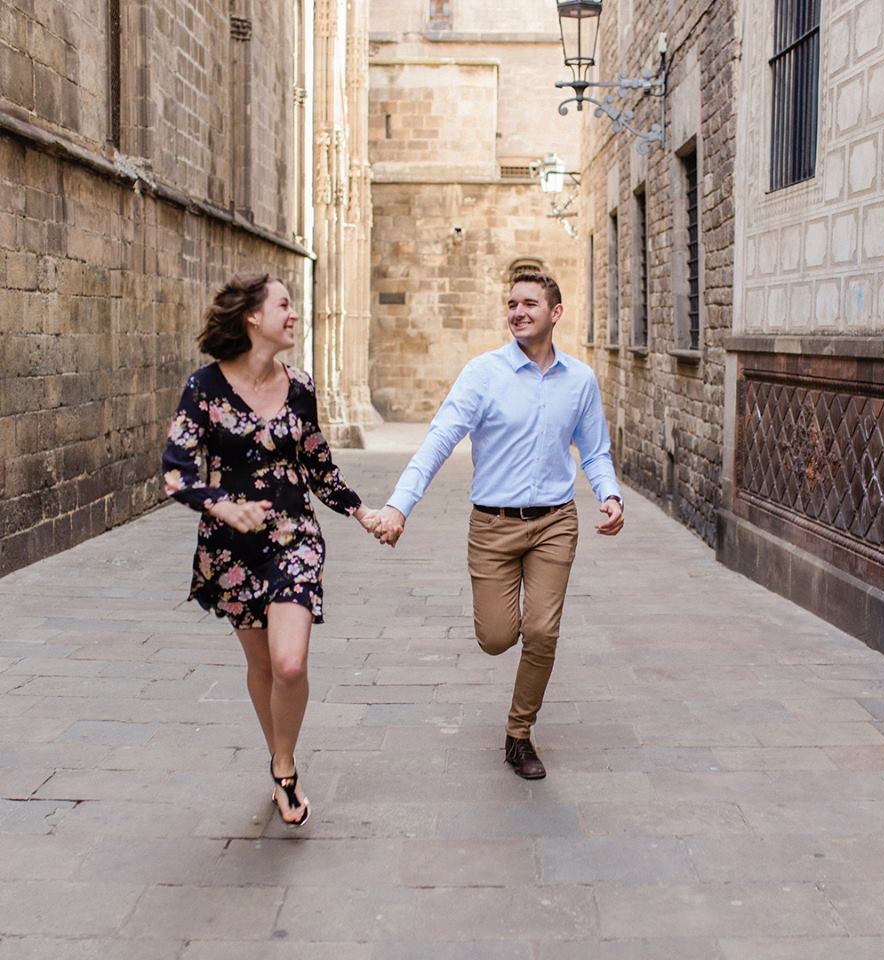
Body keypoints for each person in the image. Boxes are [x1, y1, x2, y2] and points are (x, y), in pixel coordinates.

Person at [371, 272, 624, 779]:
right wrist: (399, 506)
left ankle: (519, 733)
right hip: (493, 526)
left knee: (542, 630)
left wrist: (609, 493)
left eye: (530, 303)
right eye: (511, 303)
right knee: (496, 636)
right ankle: (515, 678)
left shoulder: (580, 380)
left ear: (555, 313)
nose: (518, 312)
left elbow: (594, 449)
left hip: (555, 521)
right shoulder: (483, 373)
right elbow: (440, 439)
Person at [161, 272, 378, 826]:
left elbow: (319, 466)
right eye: (284, 304)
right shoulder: (204, 388)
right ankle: (281, 762)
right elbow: (176, 472)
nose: (294, 313)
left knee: (289, 662)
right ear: (253, 316)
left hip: (294, 538)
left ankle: (284, 763)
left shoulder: (300, 386)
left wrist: (362, 512)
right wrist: (221, 505)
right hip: (232, 550)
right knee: (261, 665)